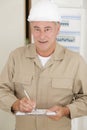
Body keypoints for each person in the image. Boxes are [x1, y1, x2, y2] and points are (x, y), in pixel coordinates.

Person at [0, 0, 87, 130]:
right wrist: (16, 104)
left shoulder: (75, 61)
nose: (42, 36)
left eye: (47, 29)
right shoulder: (16, 57)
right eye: (37, 29)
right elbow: (2, 90)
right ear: (31, 29)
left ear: (58, 29)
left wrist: (66, 110)